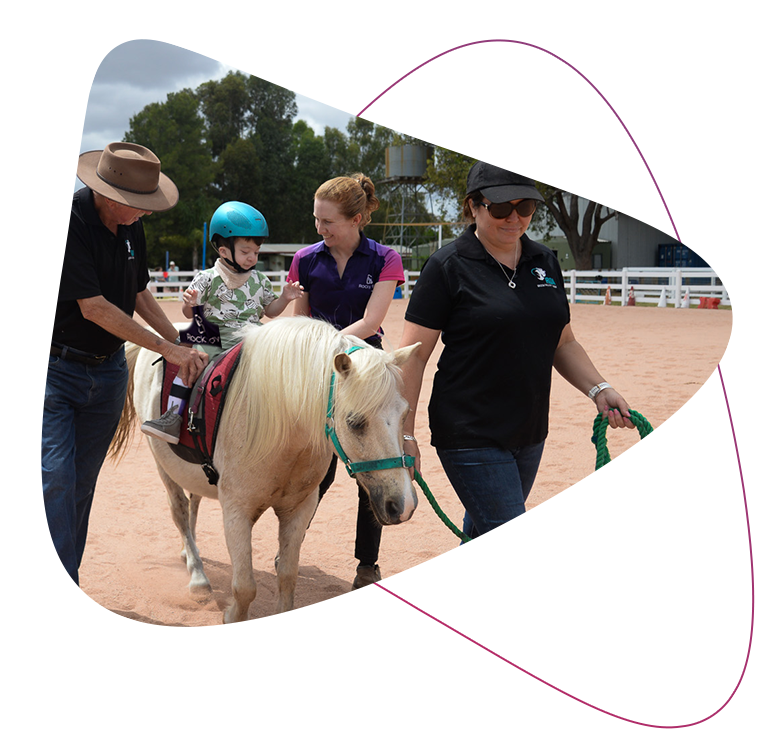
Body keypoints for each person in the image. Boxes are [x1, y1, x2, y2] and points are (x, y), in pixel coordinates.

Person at [398, 160, 636, 540]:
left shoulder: (545, 261)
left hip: (529, 432)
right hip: (469, 432)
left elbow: (564, 342)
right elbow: (412, 356)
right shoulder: (446, 267)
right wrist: (405, 435)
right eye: (500, 208)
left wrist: (599, 389)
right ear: (473, 206)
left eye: (525, 207)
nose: (515, 218)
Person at [43, 142, 209, 586]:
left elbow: (136, 293)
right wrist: (168, 349)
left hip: (109, 371)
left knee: (80, 485)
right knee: (55, 480)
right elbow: (94, 307)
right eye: (140, 205)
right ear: (110, 196)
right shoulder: (70, 224)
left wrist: (181, 341)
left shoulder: (130, 223)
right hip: (56, 373)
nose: (148, 213)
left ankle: (65, 576)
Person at [287, 173, 404, 589]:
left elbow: (373, 321)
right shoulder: (304, 259)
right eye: (316, 220)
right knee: (316, 470)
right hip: (316, 374)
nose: (319, 229)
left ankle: (367, 565)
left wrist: (329, 345)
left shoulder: (385, 259)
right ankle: (291, 546)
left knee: (370, 469)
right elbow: (299, 320)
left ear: (356, 219)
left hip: (365, 375)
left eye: (327, 222)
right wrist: (319, 352)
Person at [141, 201, 304, 444]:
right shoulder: (206, 279)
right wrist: (190, 302)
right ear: (224, 250)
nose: (252, 257)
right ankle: (172, 416)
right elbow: (188, 315)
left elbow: (271, 312)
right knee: (191, 364)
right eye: (246, 251)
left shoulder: (259, 279)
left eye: (256, 253)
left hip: (250, 333)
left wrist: (284, 297)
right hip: (211, 332)